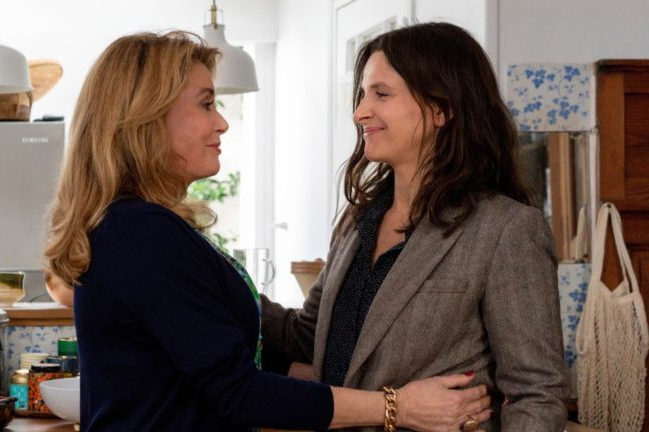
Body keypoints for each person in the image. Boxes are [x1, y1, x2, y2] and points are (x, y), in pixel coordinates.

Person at [45, 31, 492, 431]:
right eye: (206, 104)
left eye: (382, 94)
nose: (222, 122)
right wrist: (399, 407)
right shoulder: (143, 234)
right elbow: (240, 391)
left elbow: (243, 356)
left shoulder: (138, 227)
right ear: (148, 117)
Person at [261, 22, 571, 432]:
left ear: (441, 109)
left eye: (381, 94)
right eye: (362, 95)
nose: (360, 112)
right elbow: (308, 337)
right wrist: (215, 280)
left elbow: (538, 393)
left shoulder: (505, 229)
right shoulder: (356, 222)